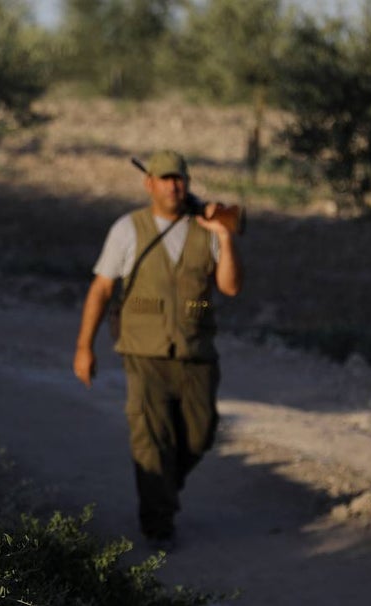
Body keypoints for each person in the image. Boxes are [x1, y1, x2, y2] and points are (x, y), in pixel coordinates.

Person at [72, 150, 244, 550]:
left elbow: (232, 287)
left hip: (197, 353)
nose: (173, 186)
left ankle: (163, 491)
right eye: (165, 179)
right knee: (151, 440)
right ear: (149, 184)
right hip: (144, 353)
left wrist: (223, 235)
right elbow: (101, 288)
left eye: (179, 179)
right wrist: (85, 347)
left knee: (200, 437)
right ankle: (158, 524)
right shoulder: (127, 229)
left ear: (188, 181)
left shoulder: (206, 227)